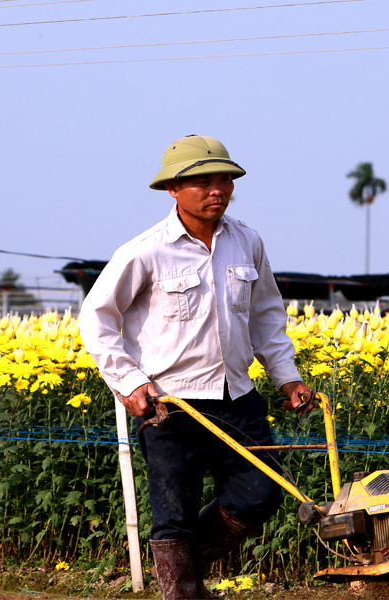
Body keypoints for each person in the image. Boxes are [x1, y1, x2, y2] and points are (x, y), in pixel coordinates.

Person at [78, 134, 313, 599]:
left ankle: (184, 578)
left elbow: (266, 314)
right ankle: (181, 593)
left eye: (224, 179)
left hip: (238, 396)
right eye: (203, 181)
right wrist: (128, 381)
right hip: (170, 404)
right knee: (175, 512)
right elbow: (96, 318)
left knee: (262, 494)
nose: (217, 189)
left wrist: (288, 378)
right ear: (173, 189)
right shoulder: (145, 250)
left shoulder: (247, 241)